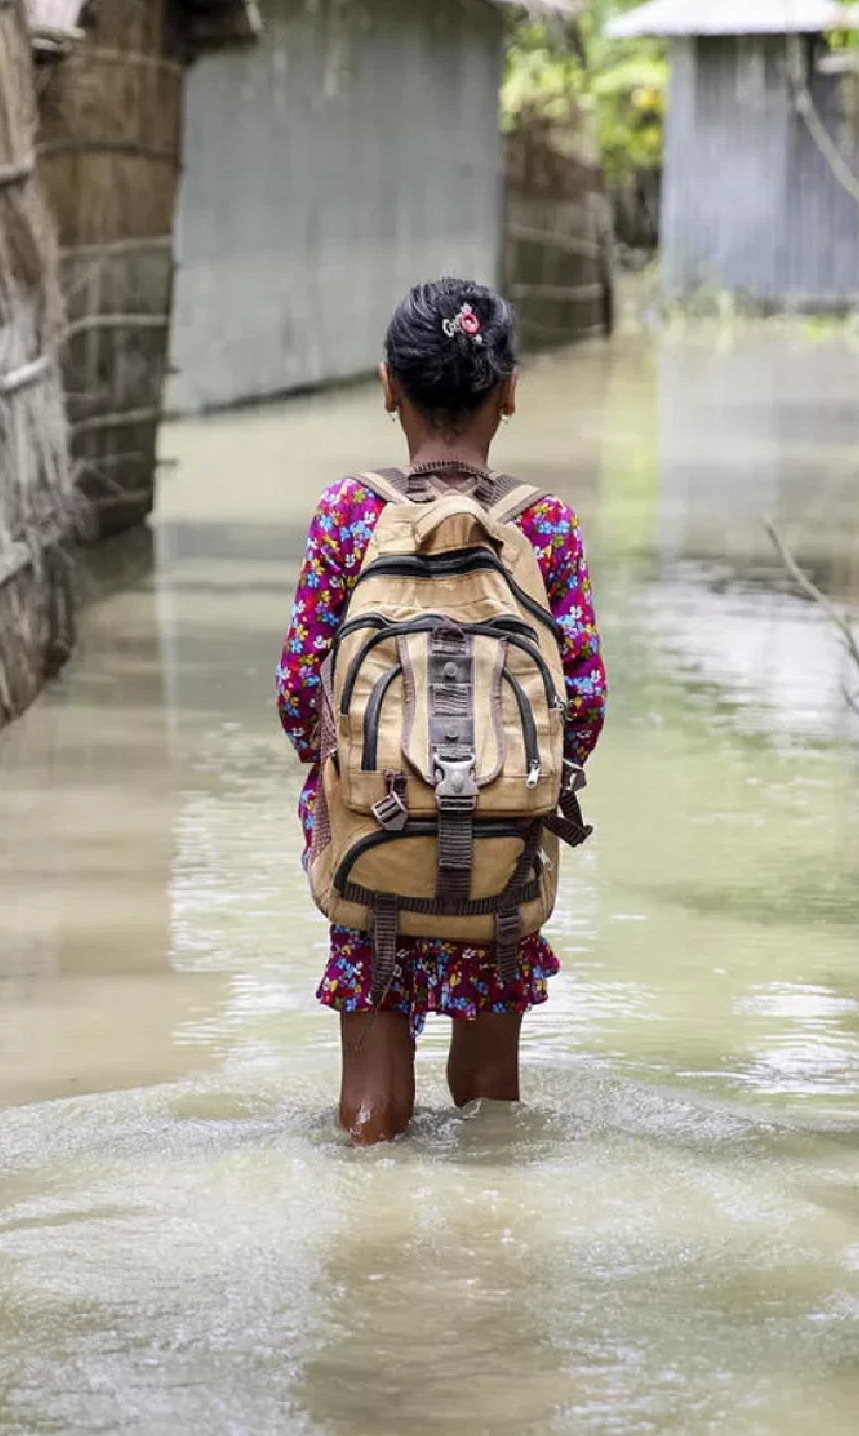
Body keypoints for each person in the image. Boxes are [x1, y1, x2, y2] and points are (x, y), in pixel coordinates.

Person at [276, 277, 606, 1145]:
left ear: (389, 387)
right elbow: (587, 706)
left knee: (371, 1104)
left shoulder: (350, 516)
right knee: (492, 1106)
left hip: (372, 835)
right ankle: (489, 1251)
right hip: (502, 846)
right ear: (510, 391)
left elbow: (297, 693)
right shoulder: (546, 528)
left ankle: (370, 1233)